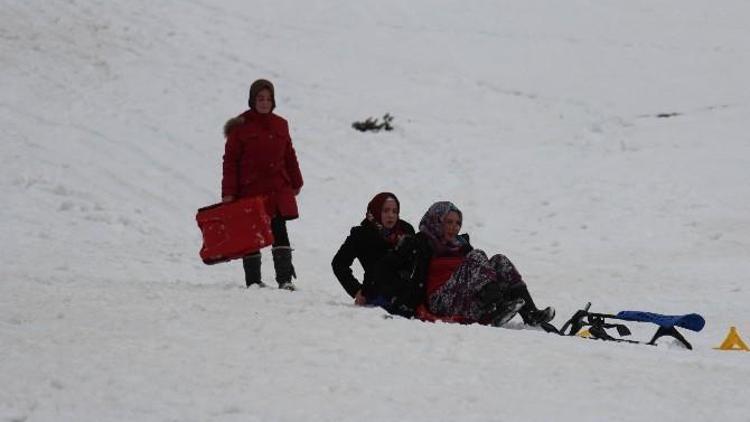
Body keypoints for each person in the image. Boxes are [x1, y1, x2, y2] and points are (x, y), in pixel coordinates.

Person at [376, 201, 554, 326]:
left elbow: (479, 274)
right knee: (477, 256)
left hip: (464, 299)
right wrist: (371, 292)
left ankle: (529, 313)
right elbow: (385, 268)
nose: (454, 228)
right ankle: (497, 306)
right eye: (449, 222)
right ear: (437, 220)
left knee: (499, 260)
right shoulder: (420, 242)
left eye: (458, 223)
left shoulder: (461, 245)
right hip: (440, 300)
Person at [222, 79, 303, 290]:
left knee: (279, 231)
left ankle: (285, 279)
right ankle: (253, 281)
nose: (264, 102)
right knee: (252, 235)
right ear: (252, 100)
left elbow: (289, 155)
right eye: (260, 98)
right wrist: (228, 193)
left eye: (268, 98)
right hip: (250, 190)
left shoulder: (281, 124)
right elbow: (230, 162)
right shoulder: (239, 126)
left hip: (277, 189)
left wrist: (296, 181)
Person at [332, 192, 415, 306]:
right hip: (374, 296)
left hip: (404, 295)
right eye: (386, 211)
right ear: (376, 210)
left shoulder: (406, 231)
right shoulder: (361, 234)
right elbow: (339, 263)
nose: (391, 215)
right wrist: (356, 290)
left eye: (394, 211)